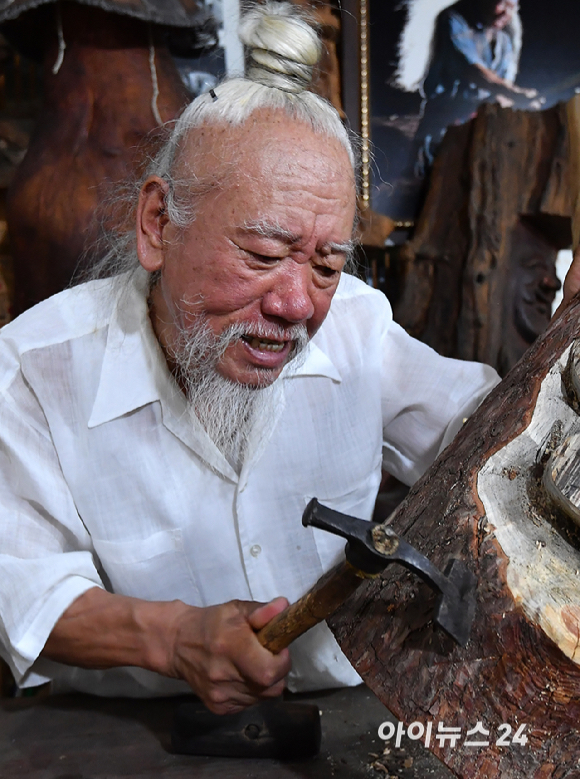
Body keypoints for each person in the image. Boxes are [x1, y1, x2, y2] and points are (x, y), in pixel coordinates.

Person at [0, 2, 504, 714]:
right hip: (125, 734)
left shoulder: (355, 325)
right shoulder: (31, 369)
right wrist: (173, 637)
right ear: (157, 225)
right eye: (263, 256)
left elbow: (485, 434)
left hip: (343, 716)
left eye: (327, 264)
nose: (298, 304)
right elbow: (22, 584)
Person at [414, 0, 541, 168]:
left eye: (511, 7)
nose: (506, 13)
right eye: (502, 4)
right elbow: (474, 72)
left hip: (477, 129)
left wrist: (523, 101)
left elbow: (503, 88)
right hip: (442, 125)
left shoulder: (504, 41)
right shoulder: (453, 21)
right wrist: (516, 93)